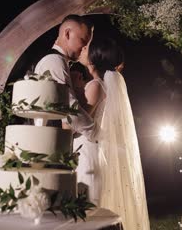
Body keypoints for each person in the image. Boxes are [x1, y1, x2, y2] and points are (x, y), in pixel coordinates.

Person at [74, 34, 150, 230]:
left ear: (92, 58)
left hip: (88, 152)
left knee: (88, 210)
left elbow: (77, 123)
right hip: (93, 151)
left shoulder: (95, 86)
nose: (82, 49)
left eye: (86, 48)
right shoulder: (102, 84)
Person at [34, 14, 96, 141]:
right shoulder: (54, 61)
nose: (85, 48)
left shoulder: (58, 61)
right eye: (83, 41)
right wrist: (96, 132)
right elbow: (68, 108)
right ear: (67, 34)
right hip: (48, 143)